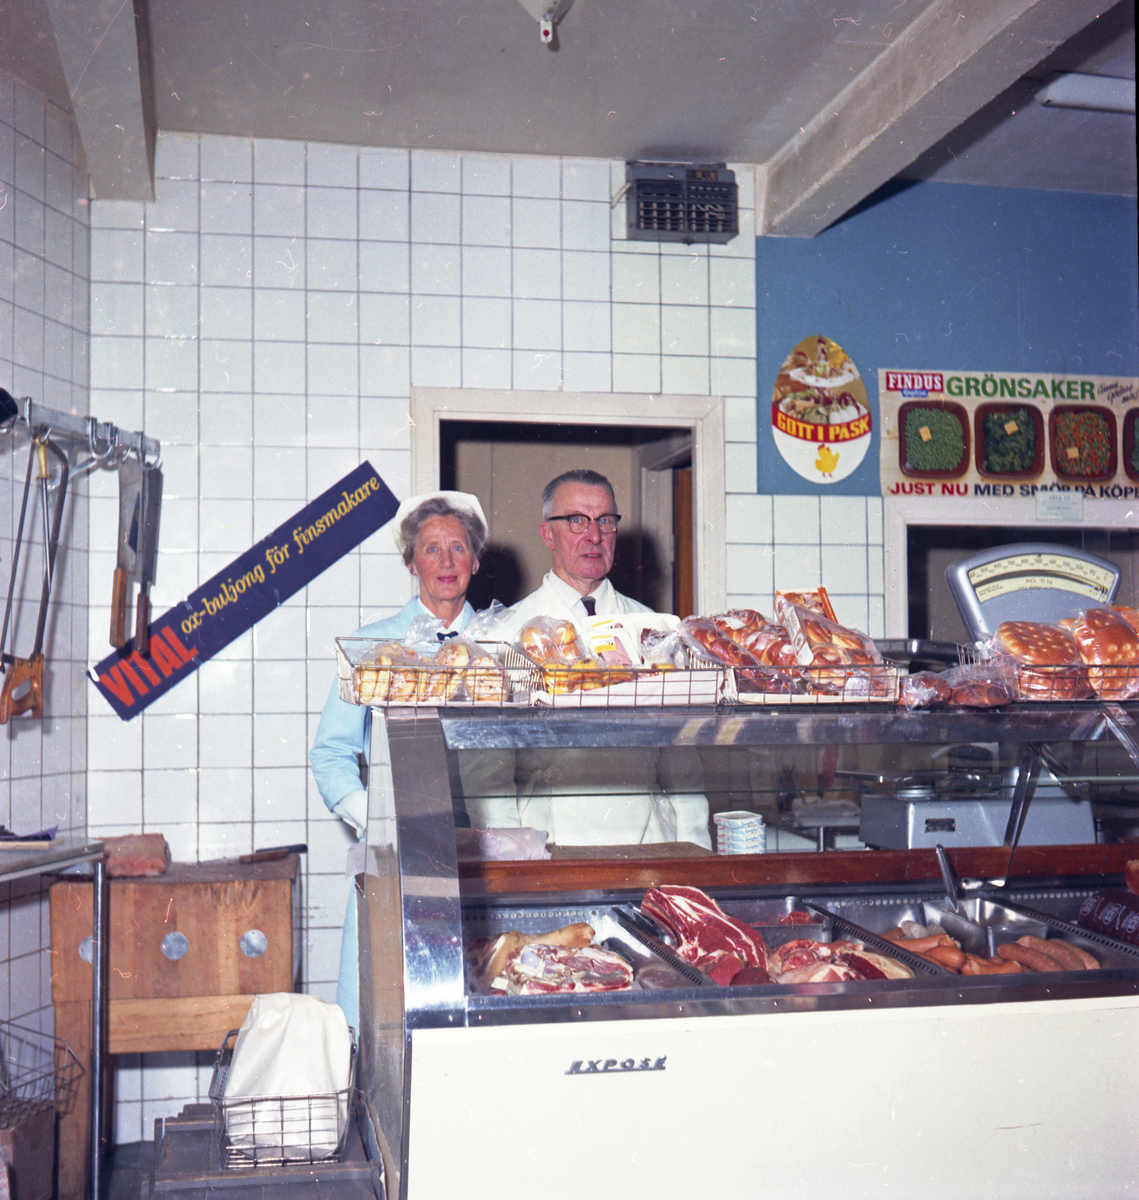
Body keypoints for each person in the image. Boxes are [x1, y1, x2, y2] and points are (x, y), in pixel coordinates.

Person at [309, 490, 487, 1029]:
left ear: (476, 561)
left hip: (482, 853)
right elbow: (331, 753)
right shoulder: (373, 644)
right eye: (431, 549)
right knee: (386, 1009)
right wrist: (377, 819)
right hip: (399, 855)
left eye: (458, 548)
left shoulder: (501, 642)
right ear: (411, 563)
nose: (446, 562)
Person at [465, 469, 712, 849]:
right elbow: (486, 774)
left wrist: (695, 848)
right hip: (551, 843)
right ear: (548, 534)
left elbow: (682, 759)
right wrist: (512, 858)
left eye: (605, 521)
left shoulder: (654, 628)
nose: (594, 536)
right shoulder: (504, 634)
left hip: (649, 843)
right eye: (576, 521)